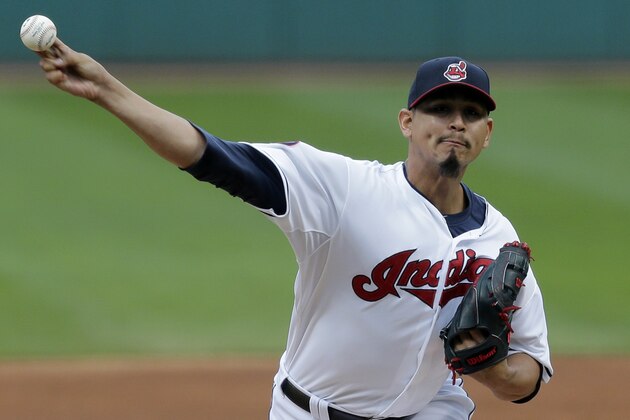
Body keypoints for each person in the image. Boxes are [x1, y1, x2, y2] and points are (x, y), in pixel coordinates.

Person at [37, 40, 552, 419]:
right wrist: (107, 91)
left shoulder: (499, 240)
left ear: (487, 134)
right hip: (310, 412)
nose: (456, 122)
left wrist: (495, 371)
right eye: (439, 109)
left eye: (471, 113)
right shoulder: (344, 189)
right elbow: (212, 157)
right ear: (407, 123)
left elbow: (528, 373)